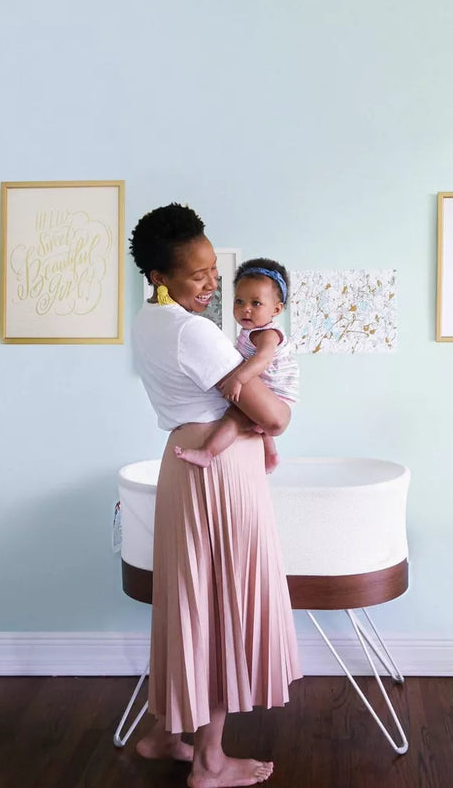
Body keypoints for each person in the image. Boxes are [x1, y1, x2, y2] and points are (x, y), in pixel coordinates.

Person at [129, 202, 302, 788]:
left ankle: (164, 734)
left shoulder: (148, 320)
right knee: (221, 608)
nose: (210, 284)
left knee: (190, 602)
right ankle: (209, 761)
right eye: (195, 274)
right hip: (219, 474)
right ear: (159, 276)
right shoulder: (194, 332)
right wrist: (274, 413)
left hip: (185, 461)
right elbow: (274, 415)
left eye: (212, 271)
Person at [174, 258, 299, 474]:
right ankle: (271, 455)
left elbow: (262, 359)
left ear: (276, 309)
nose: (245, 309)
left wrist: (238, 379)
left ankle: (207, 452)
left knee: (232, 418)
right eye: (239, 301)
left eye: (256, 303)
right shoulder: (251, 332)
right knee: (250, 420)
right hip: (269, 389)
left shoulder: (268, 334)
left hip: (276, 393)